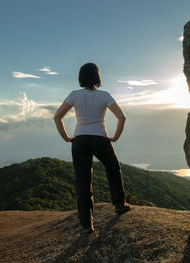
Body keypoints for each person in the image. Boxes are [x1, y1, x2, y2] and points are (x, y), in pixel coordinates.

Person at [53, 62, 131, 234]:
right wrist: (115, 137)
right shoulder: (104, 96)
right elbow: (122, 117)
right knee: (113, 169)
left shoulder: (74, 95)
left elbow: (57, 117)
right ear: (97, 77)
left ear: (80, 77)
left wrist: (66, 137)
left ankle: (87, 224)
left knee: (83, 181)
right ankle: (119, 204)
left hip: (80, 140)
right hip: (100, 138)